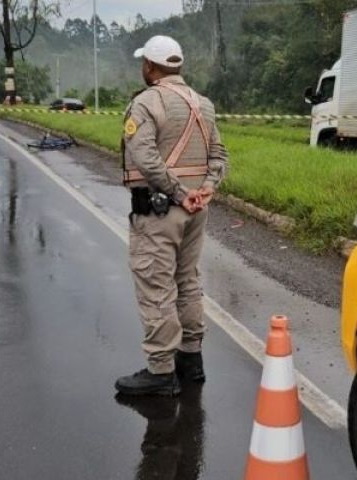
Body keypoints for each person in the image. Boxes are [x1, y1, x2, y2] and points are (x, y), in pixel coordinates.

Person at [115, 35, 229, 397]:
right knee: (188, 281)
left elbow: (146, 158)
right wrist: (205, 190)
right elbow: (219, 156)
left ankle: (161, 371)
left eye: (143, 64)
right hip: (196, 212)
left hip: (160, 211)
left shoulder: (146, 103)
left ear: (150, 66)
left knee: (157, 285)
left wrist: (179, 193)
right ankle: (191, 361)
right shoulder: (204, 105)